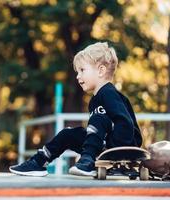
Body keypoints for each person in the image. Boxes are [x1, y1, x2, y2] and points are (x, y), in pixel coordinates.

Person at [9, 42, 143, 177]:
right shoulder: (95, 100)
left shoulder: (108, 93)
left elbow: (125, 122)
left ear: (101, 71)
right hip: (103, 146)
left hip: (122, 147)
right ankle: (39, 161)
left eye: (82, 70)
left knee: (98, 119)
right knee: (68, 134)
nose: (78, 76)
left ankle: (87, 161)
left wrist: (115, 152)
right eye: (77, 72)